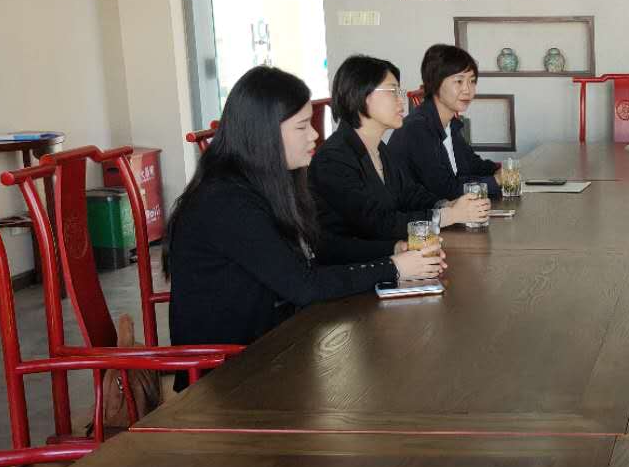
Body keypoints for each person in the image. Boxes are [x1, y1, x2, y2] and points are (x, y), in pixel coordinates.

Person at [168, 66, 443, 355]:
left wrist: (394, 250)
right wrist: (394, 267)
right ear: (263, 133)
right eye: (301, 127)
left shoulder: (271, 182)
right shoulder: (226, 201)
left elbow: (320, 252)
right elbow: (303, 285)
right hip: (231, 367)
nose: (314, 134)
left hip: (280, 341)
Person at [310, 54, 488, 246]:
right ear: (362, 94)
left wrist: (446, 204)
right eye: (392, 91)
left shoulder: (379, 148)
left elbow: (410, 194)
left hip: (395, 254)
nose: (401, 101)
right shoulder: (333, 158)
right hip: (358, 261)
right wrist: (448, 215)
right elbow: (378, 223)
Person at [390, 44, 502, 202]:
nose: (467, 90)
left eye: (472, 81)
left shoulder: (450, 123)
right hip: (423, 216)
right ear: (435, 83)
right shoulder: (417, 128)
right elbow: (445, 190)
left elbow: (473, 164)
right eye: (459, 81)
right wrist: (496, 181)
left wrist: (503, 169)